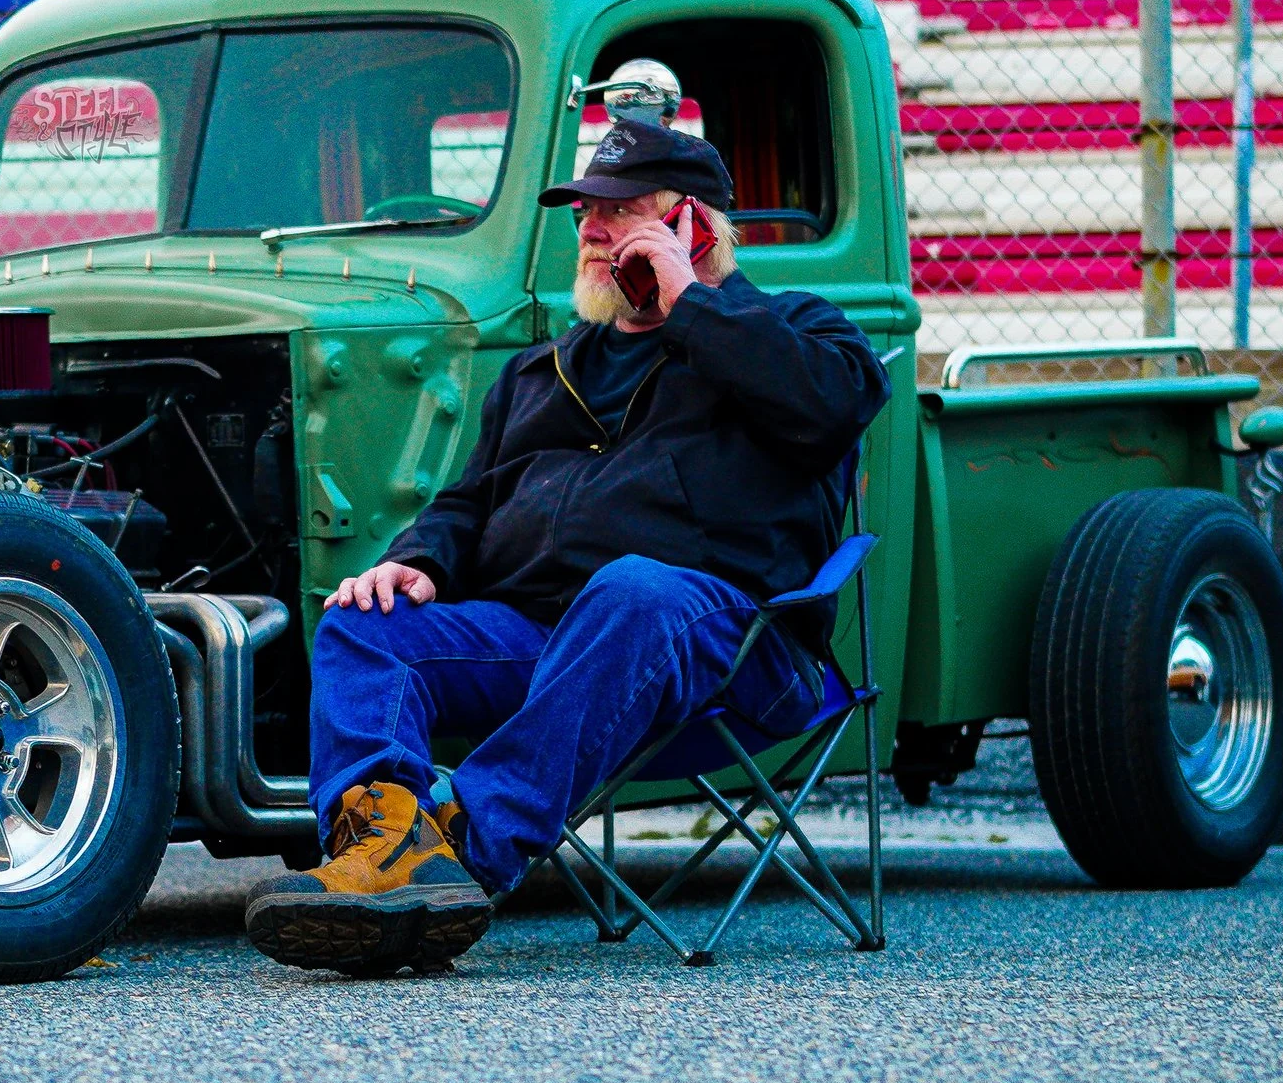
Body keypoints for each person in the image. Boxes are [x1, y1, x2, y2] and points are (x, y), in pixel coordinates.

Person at [244, 117, 891, 975]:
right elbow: (468, 500)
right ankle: (383, 848)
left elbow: (842, 404)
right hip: (546, 638)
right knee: (366, 620)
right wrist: (419, 559)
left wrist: (692, 308)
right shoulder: (543, 370)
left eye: (618, 212)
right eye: (583, 210)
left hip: (731, 640)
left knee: (633, 590)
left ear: (688, 228)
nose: (589, 229)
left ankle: (463, 852)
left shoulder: (791, 329)